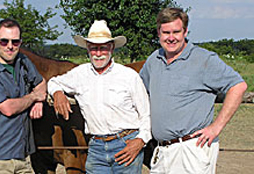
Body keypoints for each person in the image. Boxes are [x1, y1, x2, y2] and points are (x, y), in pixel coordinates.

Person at [139, 7, 248, 174]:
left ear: (185, 32)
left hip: (191, 149)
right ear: (158, 33)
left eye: (176, 32)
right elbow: (140, 92)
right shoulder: (154, 60)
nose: (171, 38)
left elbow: (238, 86)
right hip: (161, 150)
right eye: (166, 32)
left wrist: (216, 127)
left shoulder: (204, 59)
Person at [47, 20, 152, 173]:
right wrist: (57, 93)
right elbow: (53, 81)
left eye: (103, 48)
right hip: (96, 146)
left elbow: (146, 114)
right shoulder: (80, 74)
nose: (98, 53)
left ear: (112, 47)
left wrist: (140, 141)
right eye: (93, 48)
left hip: (126, 142)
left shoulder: (129, 76)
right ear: (87, 49)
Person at [0, 19, 47, 174]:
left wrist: (39, 100)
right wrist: (33, 97)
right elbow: (8, 108)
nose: (10, 46)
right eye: (4, 41)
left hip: (22, 158)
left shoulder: (23, 62)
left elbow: (41, 82)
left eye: (15, 41)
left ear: (20, 42)